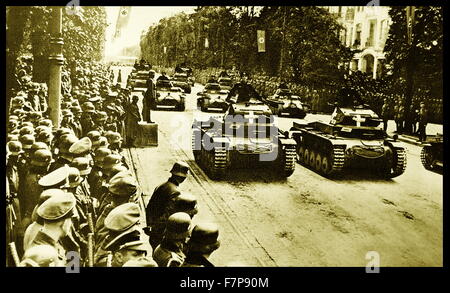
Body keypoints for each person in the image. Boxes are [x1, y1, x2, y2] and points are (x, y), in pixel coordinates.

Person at [145, 161, 189, 249]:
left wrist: (150, 225)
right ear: (182, 178)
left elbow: (149, 207)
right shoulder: (175, 192)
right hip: (161, 232)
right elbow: (168, 214)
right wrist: (158, 230)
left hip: (153, 229)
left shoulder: (161, 186)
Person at [27, 191, 76, 266]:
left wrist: (74, 249)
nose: (70, 224)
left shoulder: (54, 244)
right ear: (64, 223)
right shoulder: (45, 255)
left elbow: (72, 270)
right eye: (70, 220)